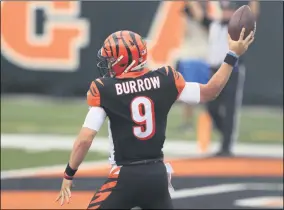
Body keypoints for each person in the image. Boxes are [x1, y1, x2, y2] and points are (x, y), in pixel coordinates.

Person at [55, 29, 254, 209]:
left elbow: (85, 139)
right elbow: (210, 91)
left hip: (124, 177)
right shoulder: (165, 79)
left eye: (111, 59)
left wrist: (69, 173)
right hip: (158, 176)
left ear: (123, 60)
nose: (107, 64)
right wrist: (232, 55)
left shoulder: (105, 89)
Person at [185, 0, 259, 156]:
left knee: (230, 108)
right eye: (224, 10)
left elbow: (253, 16)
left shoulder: (238, 28)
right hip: (214, 71)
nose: (226, 13)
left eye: (229, 10)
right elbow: (199, 15)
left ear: (234, 12)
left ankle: (226, 146)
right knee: (211, 106)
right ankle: (224, 133)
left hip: (233, 70)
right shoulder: (213, 25)